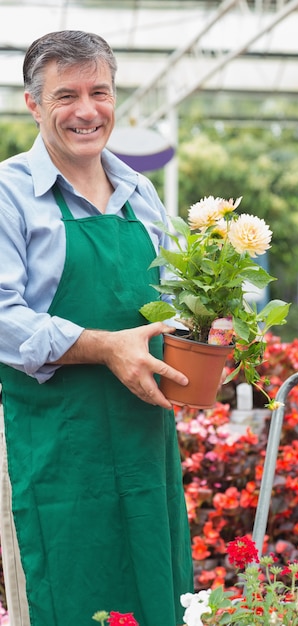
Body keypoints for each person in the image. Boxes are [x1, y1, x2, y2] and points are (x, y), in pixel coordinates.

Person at [0, 30, 194, 626]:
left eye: (99, 92)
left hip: (142, 435)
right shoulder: (9, 193)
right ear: (34, 104)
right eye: (66, 96)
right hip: (53, 440)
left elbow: (171, 298)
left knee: (152, 586)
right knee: (66, 590)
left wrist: (207, 333)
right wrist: (104, 346)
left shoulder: (141, 193)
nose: (86, 111)